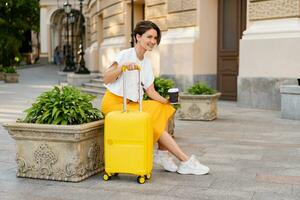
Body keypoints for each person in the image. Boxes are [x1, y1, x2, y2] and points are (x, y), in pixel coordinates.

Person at [101, 20, 209, 175]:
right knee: (152, 120)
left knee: (163, 107)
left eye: (155, 38)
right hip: (114, 105)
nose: (153, 41)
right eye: (149, 37)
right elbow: (105, 78)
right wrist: (121, 67)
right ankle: (185, 160)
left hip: (131, 105)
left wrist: (167, 100)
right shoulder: (126, 54)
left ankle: (163, 154)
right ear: (138, 37)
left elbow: (150, 91)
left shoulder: (146, 62)